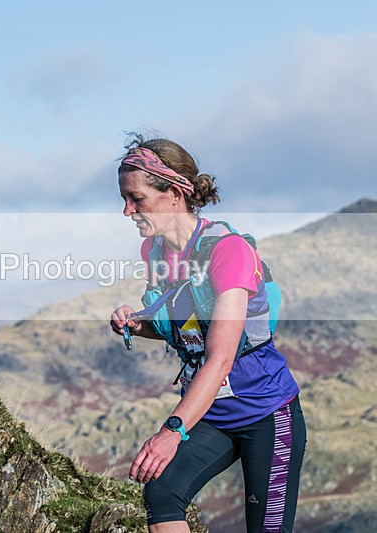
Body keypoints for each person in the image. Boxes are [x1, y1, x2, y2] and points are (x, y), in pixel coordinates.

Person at [109, 136, 306, 532]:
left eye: (137, 198)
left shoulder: (227, 251)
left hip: (266, 413)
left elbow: (221, 356)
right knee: (161, 491)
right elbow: (186, 332)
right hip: (214, 414)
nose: (127, 210)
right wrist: (138, 323)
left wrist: (172, 431)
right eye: (124, 199)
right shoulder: (155, 252)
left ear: (175, 193)